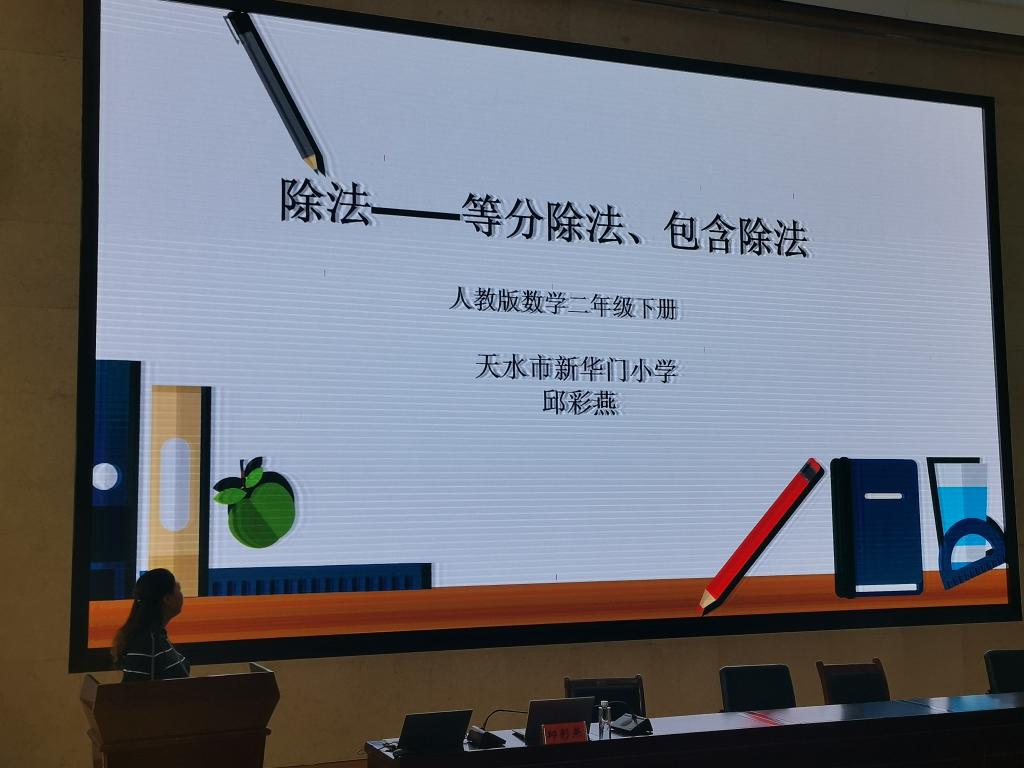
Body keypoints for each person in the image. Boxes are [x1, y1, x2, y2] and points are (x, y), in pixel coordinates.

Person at [111, 568, 190, 682]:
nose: (182, 595)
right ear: (167, 599)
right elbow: (135, 690)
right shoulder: (146, 643)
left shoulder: (156, 635)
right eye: (178, 589)